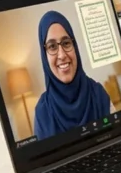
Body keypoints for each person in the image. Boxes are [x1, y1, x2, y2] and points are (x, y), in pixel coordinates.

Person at [33, 10, 114, 140]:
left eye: (66, 43)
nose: (62, 55)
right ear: (44, 55)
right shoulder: (42, 112)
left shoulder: (98, 94)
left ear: (74, 46)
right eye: (52, 46)